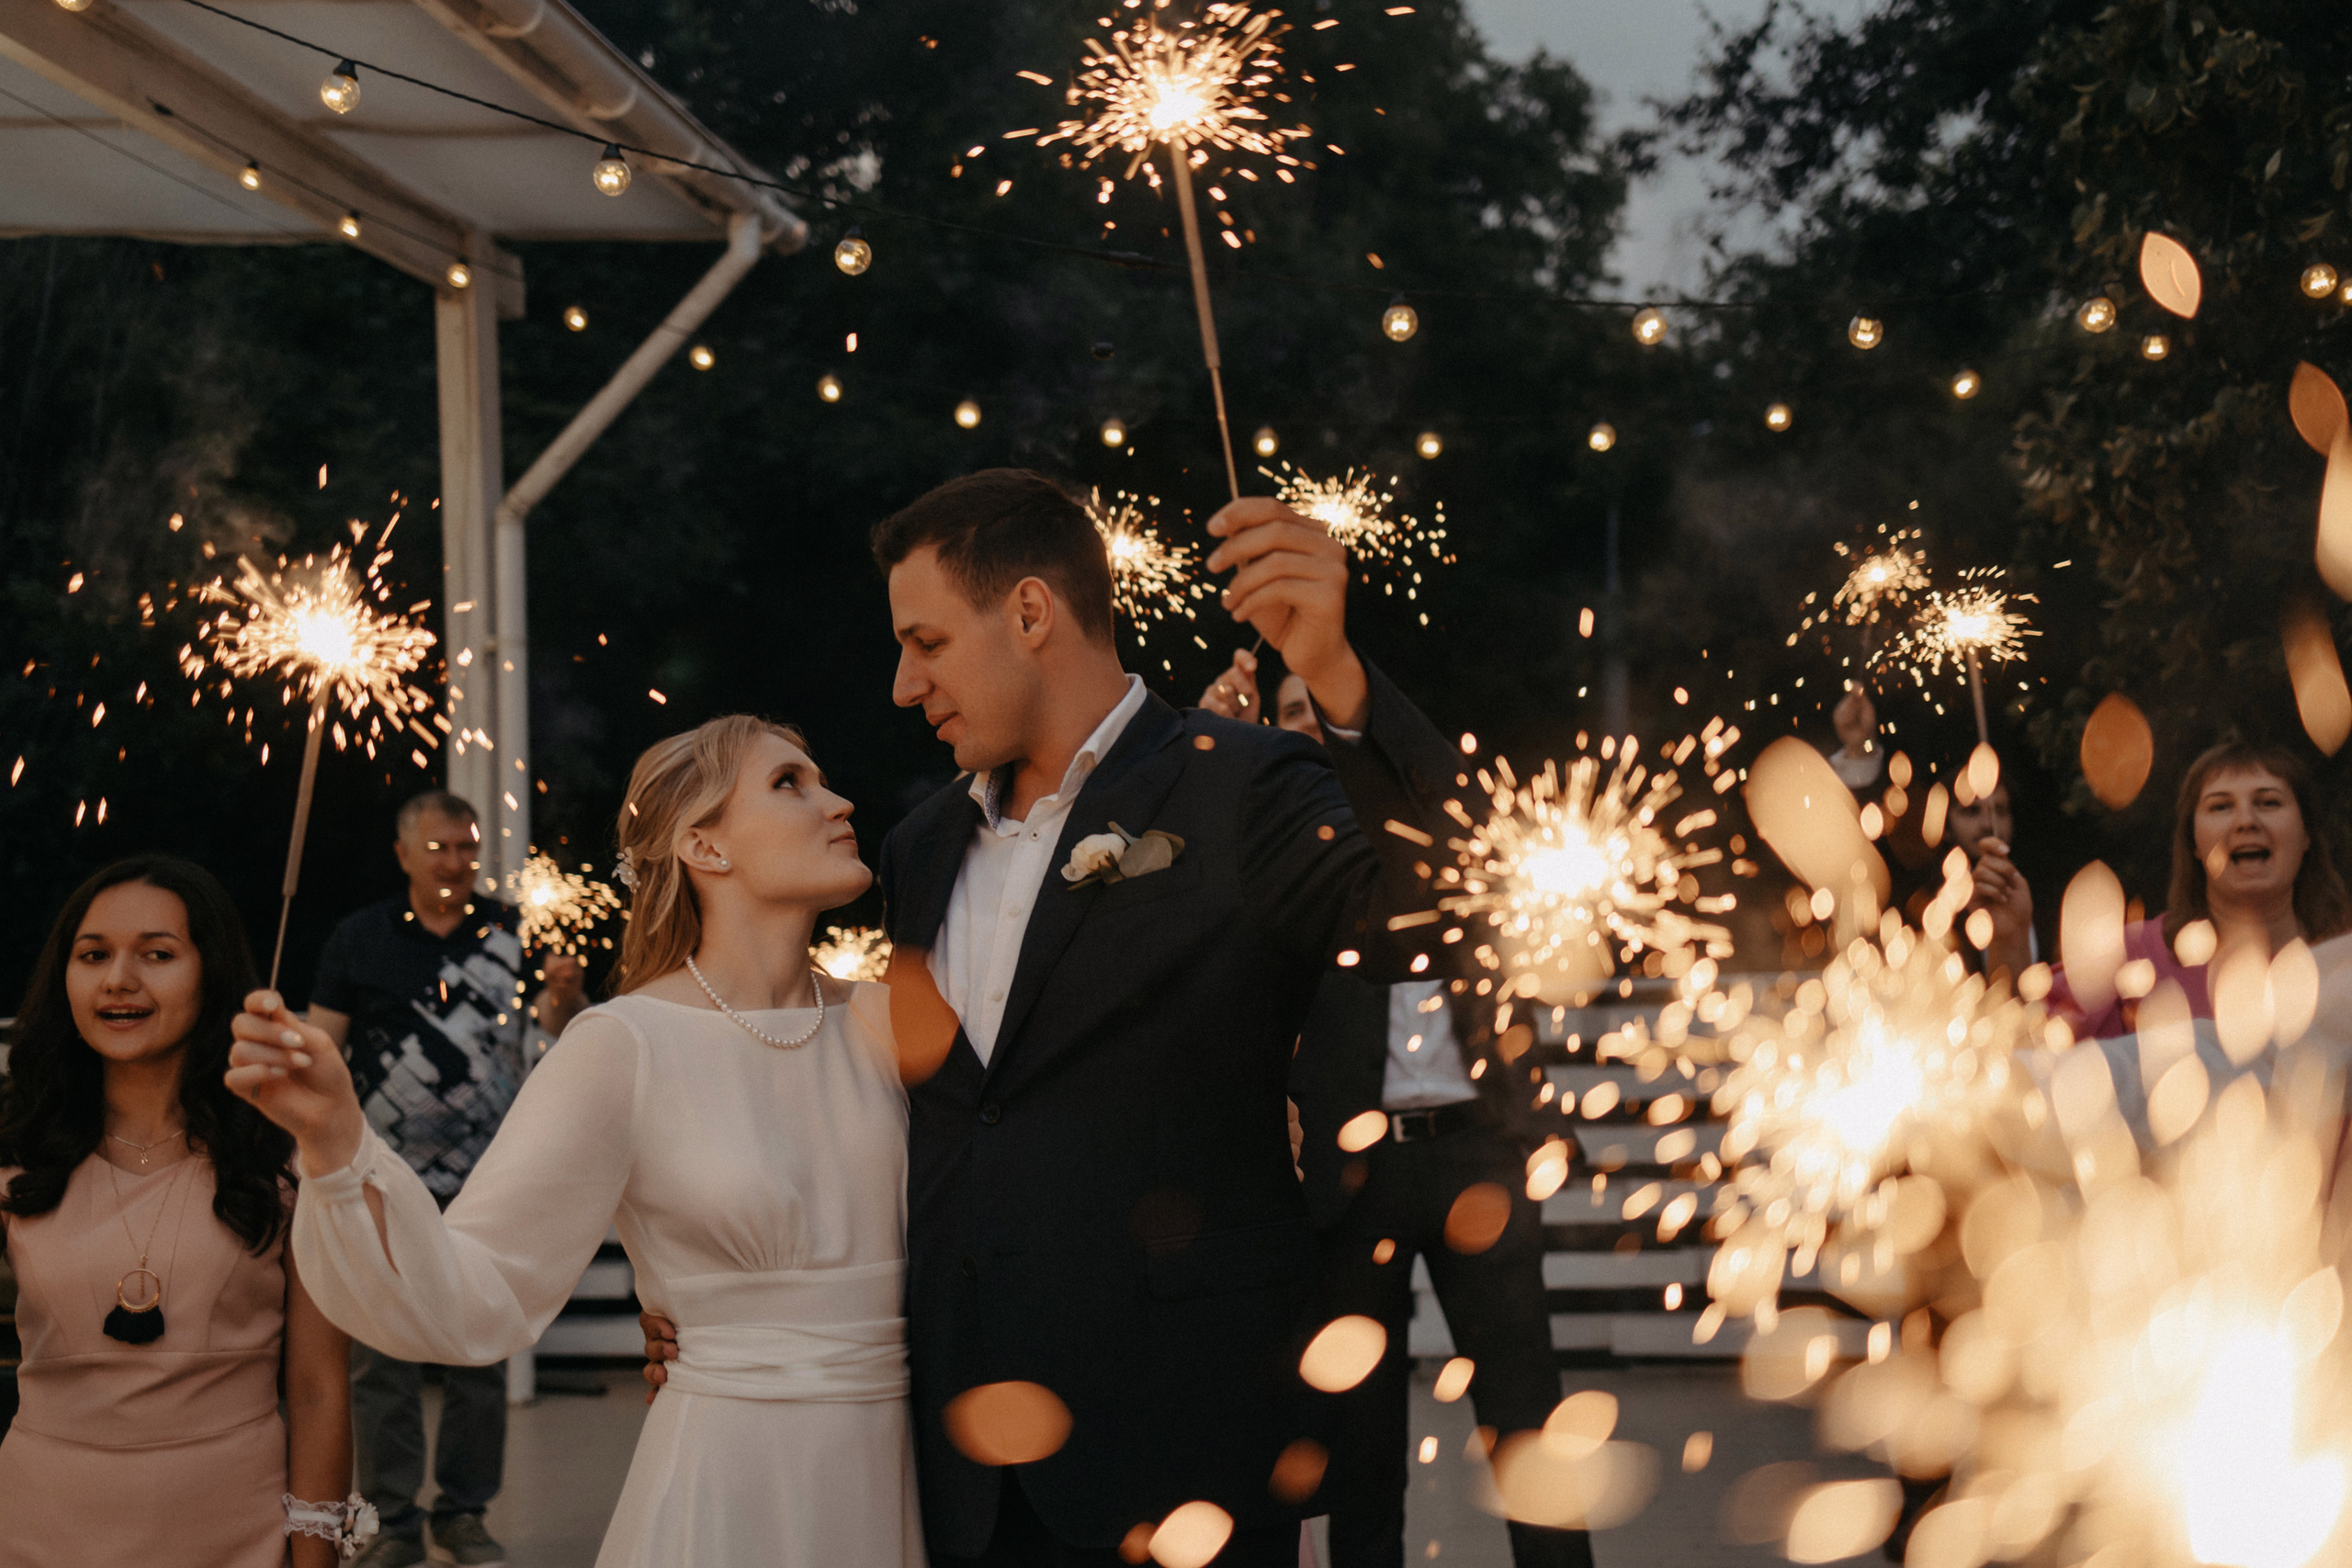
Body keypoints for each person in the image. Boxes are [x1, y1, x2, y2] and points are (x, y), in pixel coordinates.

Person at [645, 471, 1460, 1566]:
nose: (901, 685)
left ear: (1029, 613)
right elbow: (936, 1131)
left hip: (1183, 1450)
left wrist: (1335, 674)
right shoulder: (917, 848)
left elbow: (1443, 911)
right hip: (961, 1476)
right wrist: (749, 1311)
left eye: (925, 642)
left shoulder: (1247, 788)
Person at [227, 717, 921, 1568]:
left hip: (903, 1471)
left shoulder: (892, 1023)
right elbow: (474, 1286)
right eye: (790, 782)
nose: (839, 801)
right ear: (704, 845)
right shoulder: (621, 1044)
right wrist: (338, 1141)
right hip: (729, 1480)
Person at [1203, 657, 1593, 1568]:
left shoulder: (1437, 832)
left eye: (1319, 712)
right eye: (1287, 715)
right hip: (1351, 1176)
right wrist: (1228, 745)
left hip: (1476, 1152)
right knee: (1361, 1442)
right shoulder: (1279, 858)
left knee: (1526, 1414)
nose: (1305, 728)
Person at [0, 855, 361, 1566]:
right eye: (93, 954)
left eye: (157, 954)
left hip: (237, 1530)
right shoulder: (18, 1149)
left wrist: (314, 1557)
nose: (118, 979)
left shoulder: (283, 1150)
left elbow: (319, 1388)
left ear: (212, 970)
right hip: (40, 1526)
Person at [306, 790, 584, 1568]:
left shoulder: (512, 929)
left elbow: (557, 1034)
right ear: (403, 855)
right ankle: (393, 1522)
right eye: (439, 848)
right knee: (380, 1353)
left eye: (466, 847)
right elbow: (322, 1045)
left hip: (490, 1180)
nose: (456, 863)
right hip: (381, 1180)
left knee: (479, 1351)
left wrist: (564, 999)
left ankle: (463, 1513)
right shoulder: (358, 939)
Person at [2052, 740, 2352, 1039]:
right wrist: (2013, 942)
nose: (2246, 821)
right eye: (2221, 806)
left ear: (2306, 834)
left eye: (2269, 802)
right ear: (2193, 842)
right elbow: (2026, 1052)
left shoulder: (2344, 963)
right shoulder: (2127, 958)